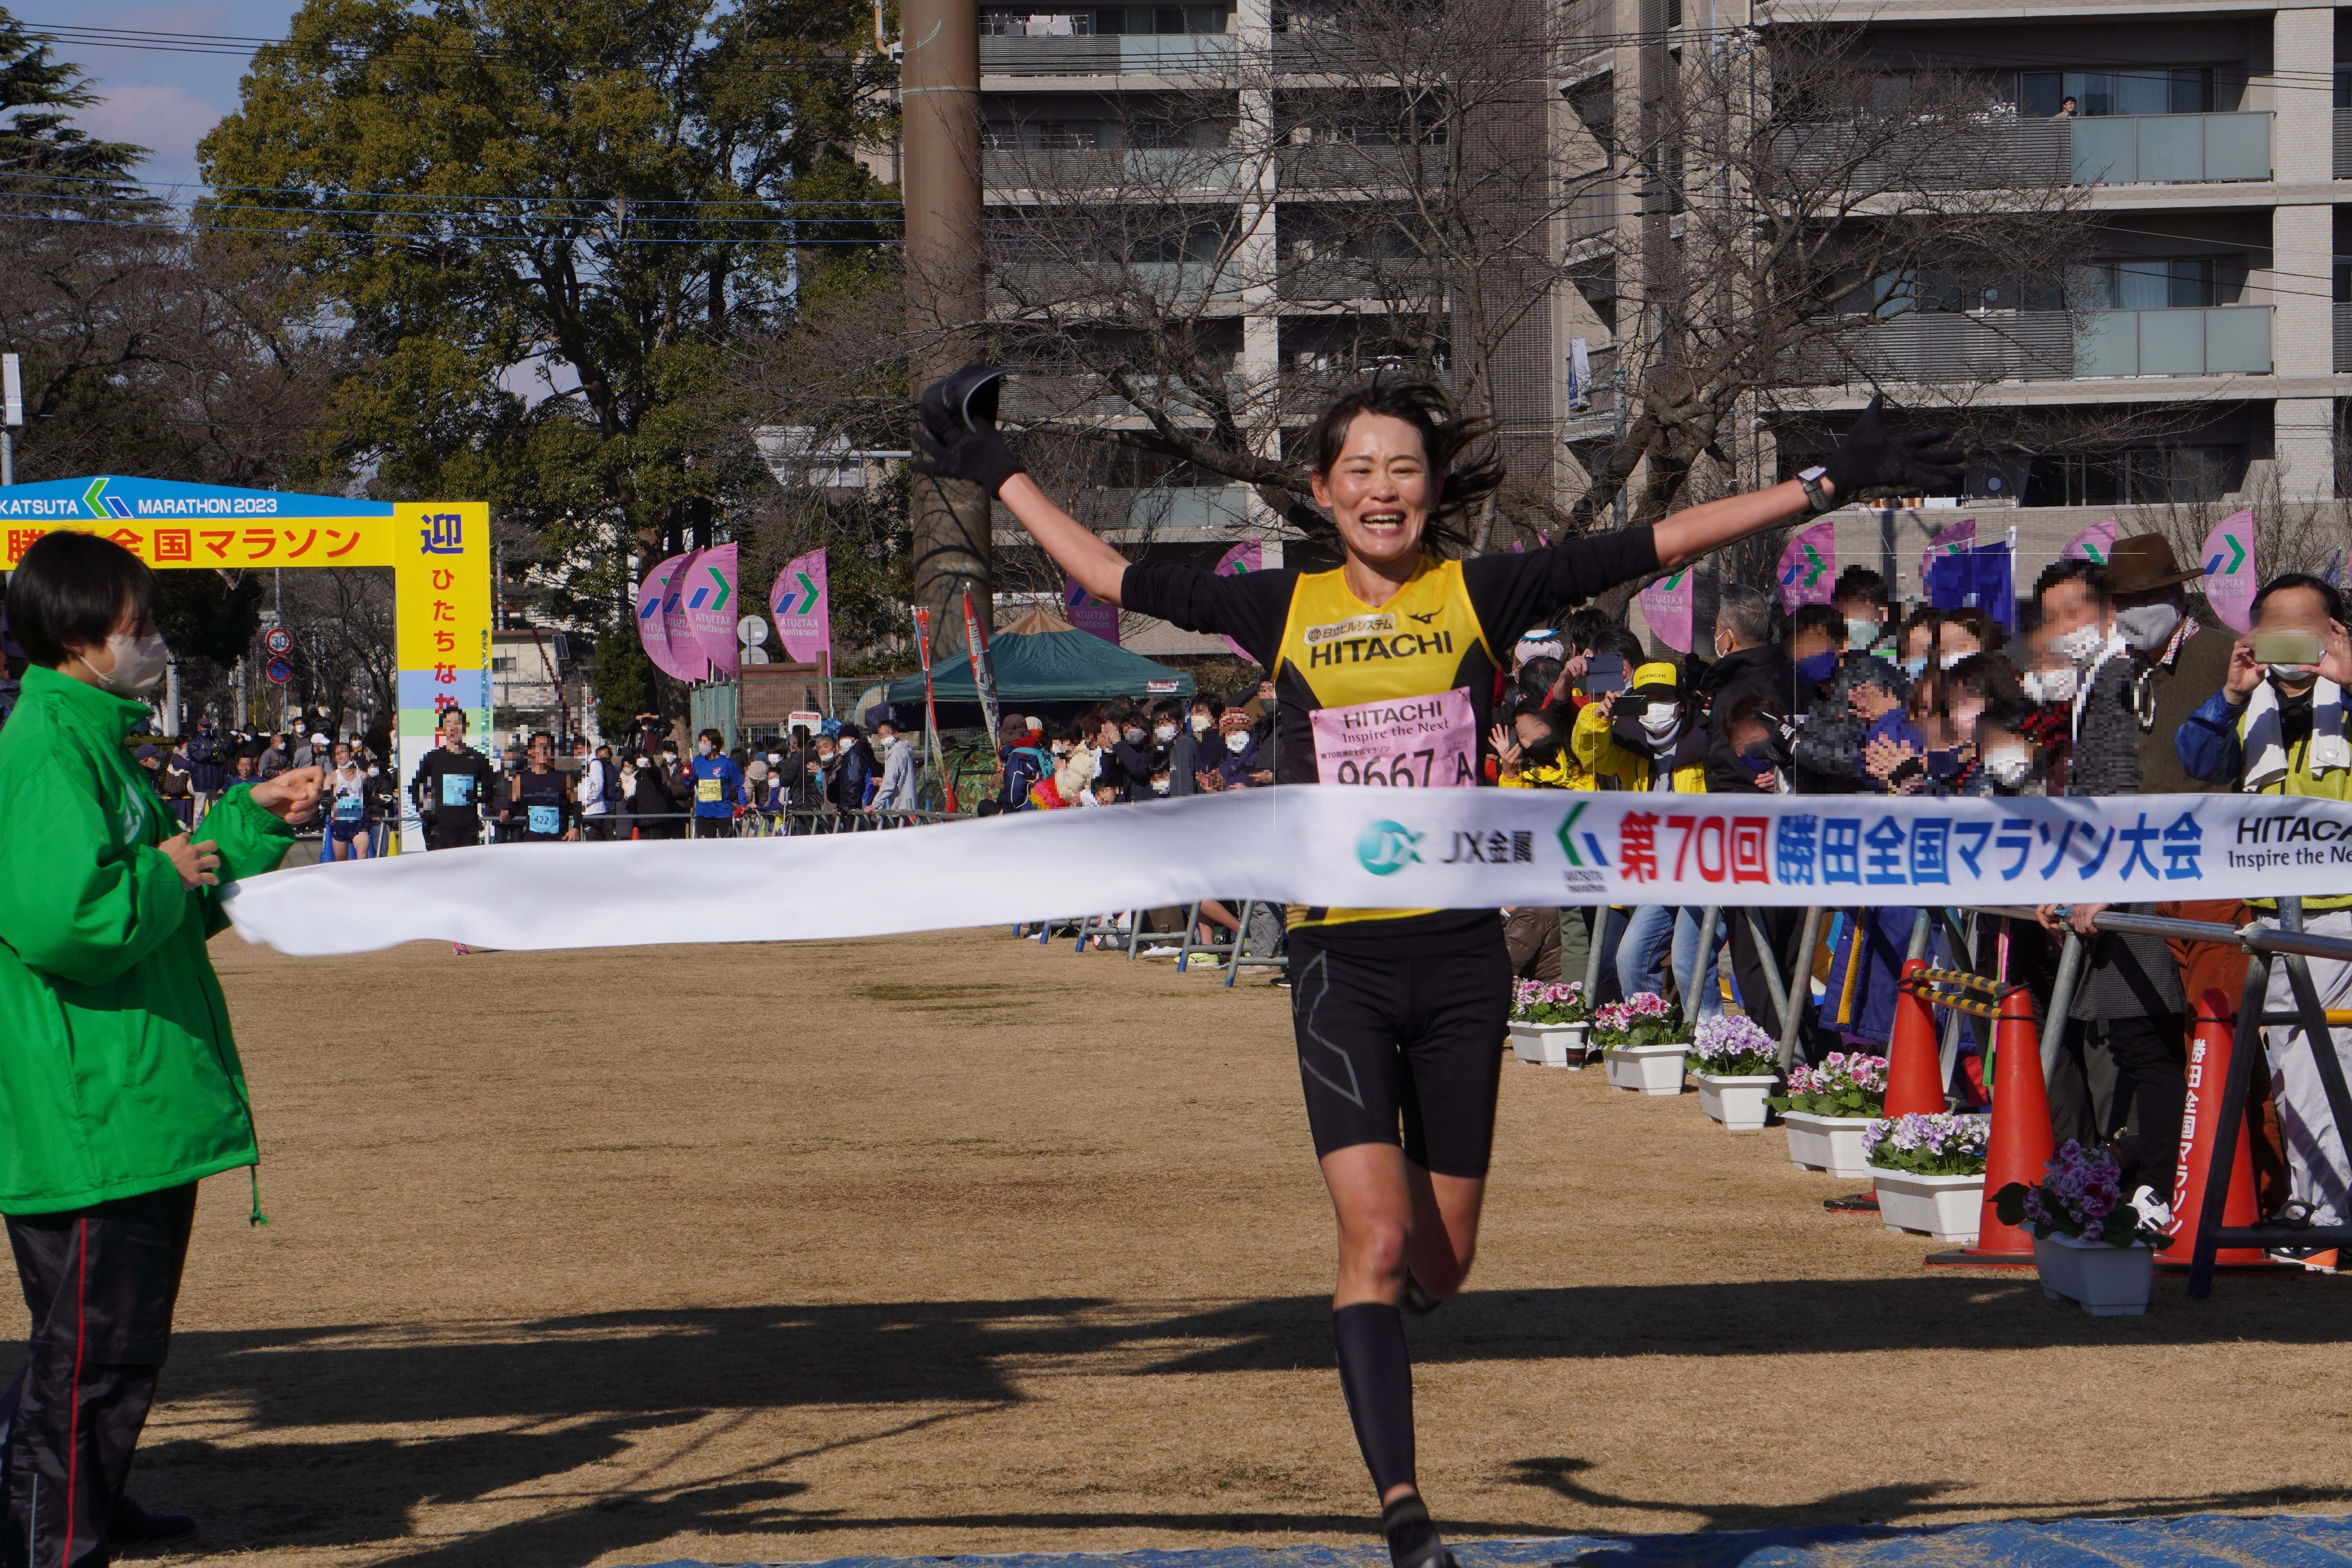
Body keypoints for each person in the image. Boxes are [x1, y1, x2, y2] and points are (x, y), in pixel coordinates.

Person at [916, 364, 1961, 1568]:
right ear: (1318, 491)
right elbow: (1104, 574)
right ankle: (1405, 1517)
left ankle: (1407, 1316)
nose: (1380, 489)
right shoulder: (1281, 606)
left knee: (1441, 1265)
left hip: (1461, 963)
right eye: (1356, 469)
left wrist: (1825, 483)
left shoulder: (1480, 592)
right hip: (1339, 965)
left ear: (1430, 493)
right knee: (1368, 1242)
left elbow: (1655, 536)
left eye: (1401, 469)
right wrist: (992, 466)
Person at [0, 530, 325, 1561]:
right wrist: (168, 872)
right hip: (96, 1102)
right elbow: (70, 922)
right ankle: (57, 1539)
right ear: (76, 636)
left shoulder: (94, 741)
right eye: (139, 630)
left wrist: (247, 821)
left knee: (102, 1343)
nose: (155, 647)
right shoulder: (49, 752)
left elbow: (164, 899)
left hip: (123, 1092)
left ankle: (83, 1504)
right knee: (93, 1354)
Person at [2176, 571, 2352, 1254]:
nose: (2290, 649)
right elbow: (2193, 760)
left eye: (2303, 631)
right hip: (2281, 914)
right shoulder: (2250, 702)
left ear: (2334, 630)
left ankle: (2322, 1216)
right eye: (2272, 630)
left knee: (2313, 1063)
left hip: (2341, 911)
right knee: (2304, 1062)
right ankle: (2322, 1211)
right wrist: (2230, 692)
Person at [2031, 558, 2188, 1215]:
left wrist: (2107, 880)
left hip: (2151, 880)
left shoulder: (2132, 674)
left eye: (2075, 612)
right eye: (2051, 618)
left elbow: (2136, 789)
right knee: (2122, 1037)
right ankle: (2129, 1171)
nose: (2062, 629)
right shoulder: (2089, 681)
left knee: (2145, 1040)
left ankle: (2155, 1180)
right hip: (2104, 880)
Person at [408, 706, 495, 852]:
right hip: (440, 831)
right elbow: (417, 785)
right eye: (449, 724)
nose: (454, 728)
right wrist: (423, 810)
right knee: (440, 873)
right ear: (443, 729)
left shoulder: (478, 758)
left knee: (466, 873)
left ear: (465, 726)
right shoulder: (433, 758)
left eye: (458, 723)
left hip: (468, 831)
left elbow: (491, 786)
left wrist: (482, 802)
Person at [501, 730, 581, 843]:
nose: (544, 751)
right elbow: (514, 807)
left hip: (559, 841)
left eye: (547, 747)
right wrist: (507, 813)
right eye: (539, 747)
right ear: (531, 751)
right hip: (532, 841)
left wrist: (576, 828)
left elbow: (578, 806)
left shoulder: (565, 779)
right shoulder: (520, 779)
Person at [687, 727, 745, 838]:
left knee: (726, 847)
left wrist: (742, 805)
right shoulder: (697, 762)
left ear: (714, 745)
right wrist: (686, 777)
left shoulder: (727, 763)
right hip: (703, 813)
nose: (701, 745)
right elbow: (689, 785)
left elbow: (739, 785)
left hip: (723, 813)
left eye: (704, 742)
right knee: (707, 849)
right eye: (700, 742)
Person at [324, 740, 374, 861]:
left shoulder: (362, 776)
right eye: (337, 754)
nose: (340, 755)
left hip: (358, 822)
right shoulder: (332, 777)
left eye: (343, 752)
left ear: (351, 754)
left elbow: (372, 795)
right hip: (340, 823)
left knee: (362, 854)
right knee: (342, 863)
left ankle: (362, 879)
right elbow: (324, 800)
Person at [870, 717, 920, 815]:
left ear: (896, 734)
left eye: (886, 733)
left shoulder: (896, 753)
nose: (883, 737)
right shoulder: (903, 751)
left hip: (899, 809)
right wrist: (883, 782)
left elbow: (890, 783)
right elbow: (897, 778)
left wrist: (875, 804)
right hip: (906, 806)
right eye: (880, 735)